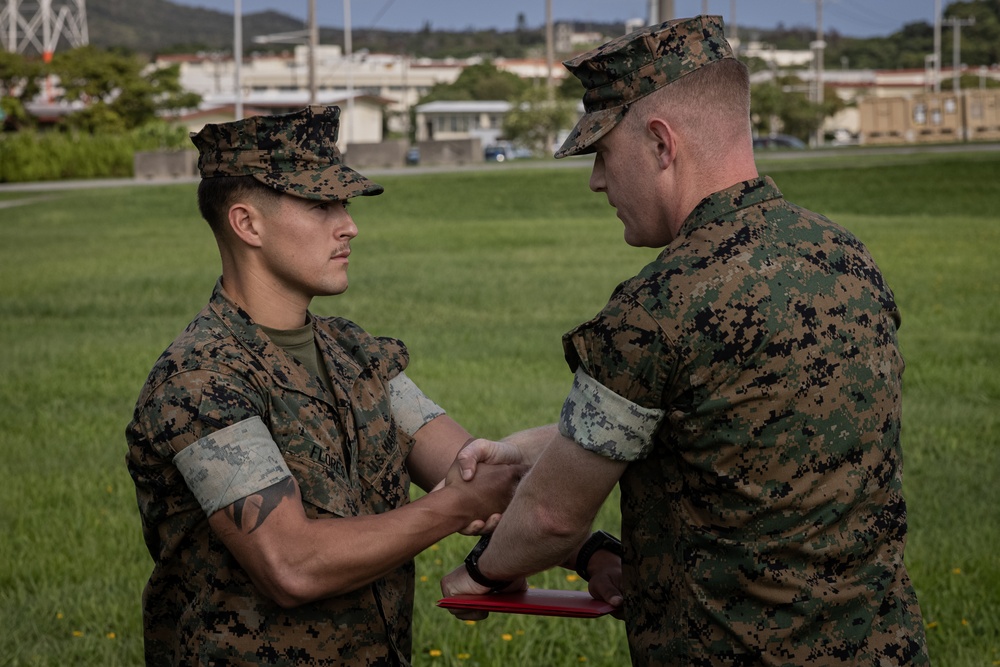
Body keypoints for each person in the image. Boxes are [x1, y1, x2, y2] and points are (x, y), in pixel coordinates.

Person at [441, 16, 929, 665]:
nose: (595, 182)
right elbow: (707, 422)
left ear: (661, 144)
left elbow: (553, 516)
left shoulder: (661, 305)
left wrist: (479, 574)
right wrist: (518, 451)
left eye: (602, 154)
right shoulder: (844, 257)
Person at [125, 105, 525, 666]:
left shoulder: (353, 354)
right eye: (320, 205)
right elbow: (291, 565)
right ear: (247, 224)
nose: (349, 225)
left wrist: (592, 555)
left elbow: (473, 467)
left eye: (344, 203)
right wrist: (458, 508)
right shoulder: (202, 380)